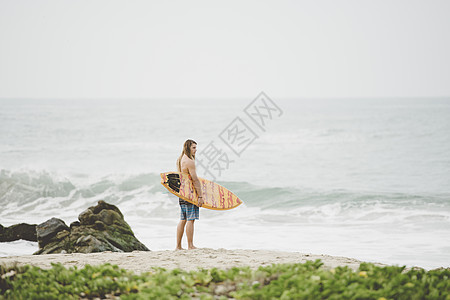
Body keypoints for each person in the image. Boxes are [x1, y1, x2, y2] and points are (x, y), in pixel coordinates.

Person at [175, 139, 204, 250]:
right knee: (191, 219)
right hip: (190, 194)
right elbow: (195, 179)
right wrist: (200, 196)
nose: (196, 150)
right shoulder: (189, 161)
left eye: (196, 147)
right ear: (188, 147)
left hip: (182, 193)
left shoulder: (180, 159)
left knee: (183, 219)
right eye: (193, 148)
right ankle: (190, 245)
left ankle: (178, 246)